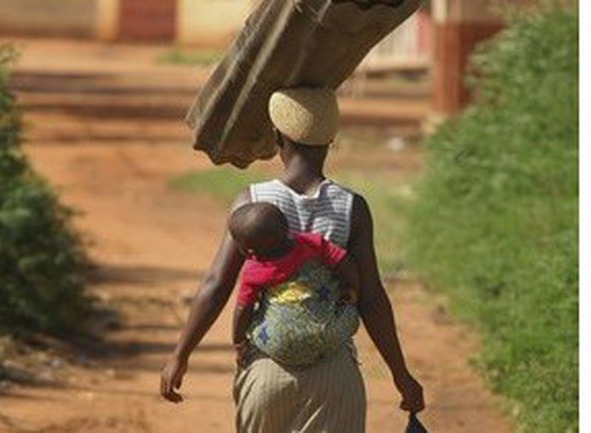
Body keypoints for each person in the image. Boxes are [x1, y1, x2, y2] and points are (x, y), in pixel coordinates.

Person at [161, 86, 424, 433]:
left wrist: (181, 354)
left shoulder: (250, 202)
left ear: (276, 137)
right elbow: (372, 297)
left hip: (267, 371)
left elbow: (217, 284)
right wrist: (400, 374)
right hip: (334, 375)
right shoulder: (352, 207)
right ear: (330, 140)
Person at [228, 201, 360, 367]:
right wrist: (351, 289)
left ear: (249, 251)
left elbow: (243, 309)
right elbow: (344, 262)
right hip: (328, 337)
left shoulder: (253, 270)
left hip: (278, 344)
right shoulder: (312, 244)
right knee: (349, 311)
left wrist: (239, 343)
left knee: (256, 320)